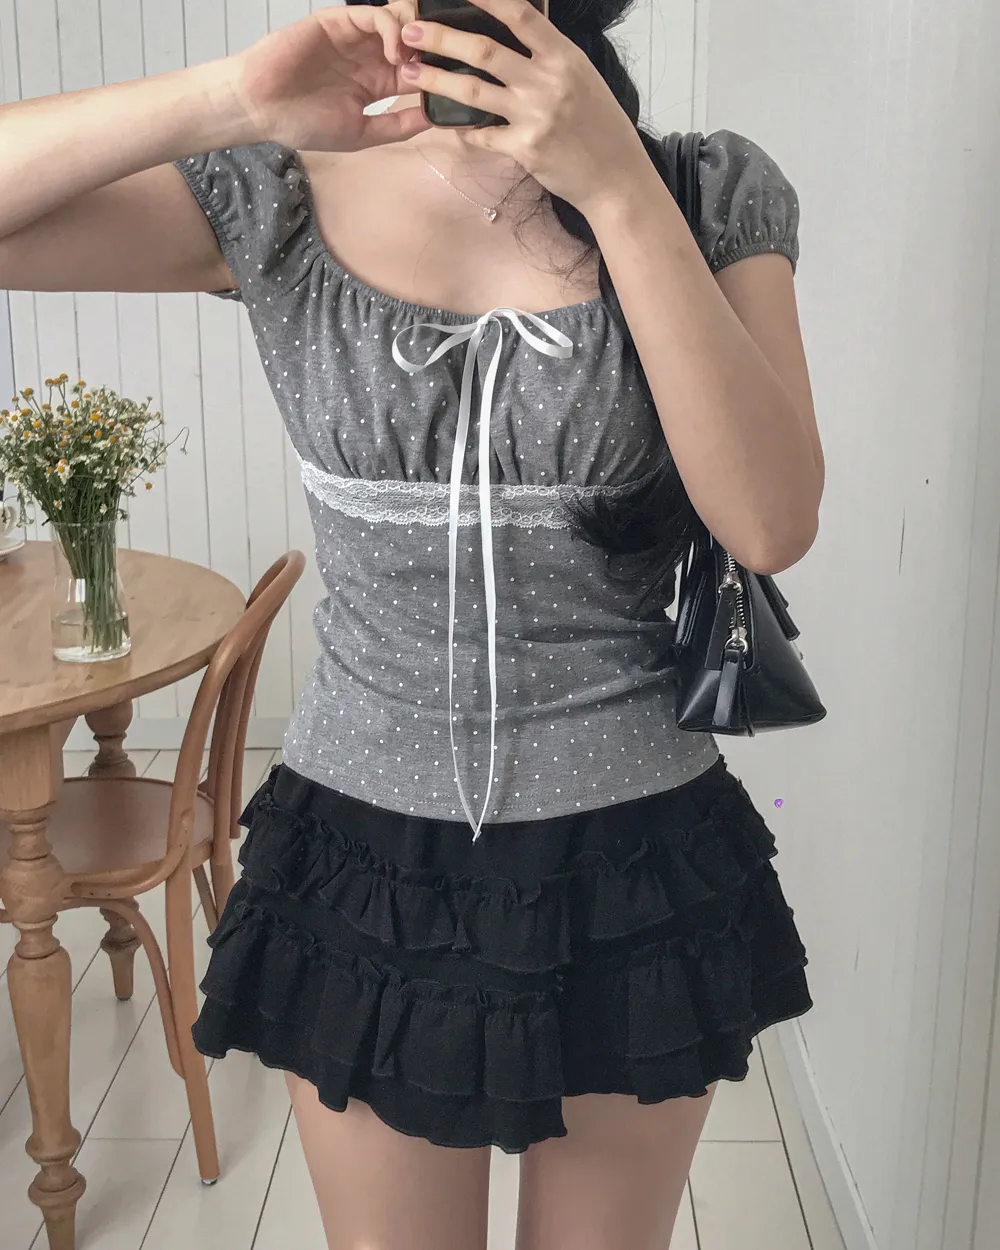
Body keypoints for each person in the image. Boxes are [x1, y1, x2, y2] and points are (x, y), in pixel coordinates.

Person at [0, 0, 824, 1245]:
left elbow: (768, 521)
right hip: (363, 863)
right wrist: (234, 97)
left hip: (636, 864)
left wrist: (615, 186)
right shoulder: (274, 191)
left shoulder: (703, 190)